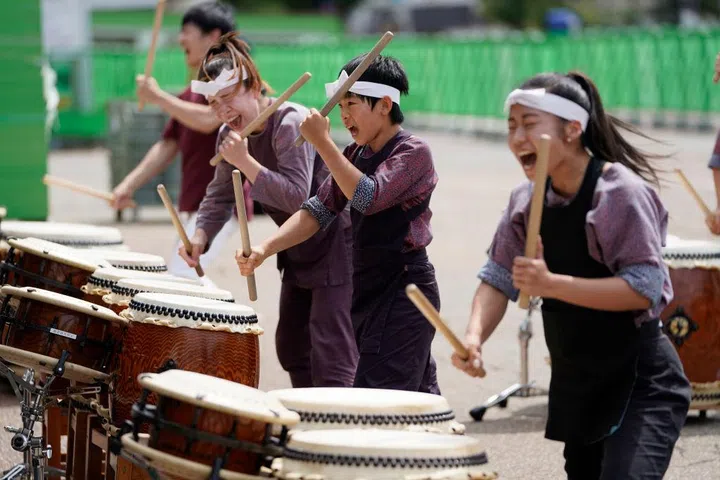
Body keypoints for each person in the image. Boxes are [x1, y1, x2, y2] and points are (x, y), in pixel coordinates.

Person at [452, 71, 691, 479]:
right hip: (580, 381)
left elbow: (645, 289)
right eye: (512, 127)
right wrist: (473, 338)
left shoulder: (618, 193)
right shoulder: (526, 200)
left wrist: (550, 285)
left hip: (641, 379)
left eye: (530, 125)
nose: (517, 139)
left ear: (573, 128)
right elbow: (497, 276)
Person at [236, 54, 442, 394]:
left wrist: (323, 143)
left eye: (352, 104)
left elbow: (367, 197)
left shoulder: (414, 152)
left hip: (405, 289)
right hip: (367, 285)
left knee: (382, 397)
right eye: (340, 105)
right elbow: (318, 210)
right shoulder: (355, 154)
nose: (343, 115)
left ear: (385, 104)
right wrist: (264, 248)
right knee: (415, 393)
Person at [181, 33, 357, 388]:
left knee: (331, 349)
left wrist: (245, 162)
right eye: (213, 103)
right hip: (295, 246)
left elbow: (296, 198)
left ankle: (342, 430)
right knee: (291, 346)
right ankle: (310, 419)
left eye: (228, 97)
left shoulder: (289, 123)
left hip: (338, 242)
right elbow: (218, 197)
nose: (223, 111)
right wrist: (200, 238)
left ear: (254, 86)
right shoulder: (228, 137)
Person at [110, 1, 250, 287]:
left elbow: (211, 119)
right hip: (198, 204)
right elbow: (168, 144)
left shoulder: (234, 76)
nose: (180, 39)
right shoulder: (196, 87)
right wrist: (128, 185)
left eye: (186, 31)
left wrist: (159, 97)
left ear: (212, 36)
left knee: (182, 279)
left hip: (221, 204)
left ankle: (228, 329)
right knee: (183, 280)